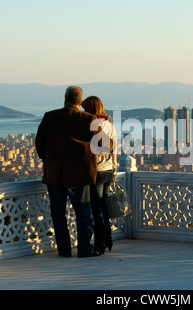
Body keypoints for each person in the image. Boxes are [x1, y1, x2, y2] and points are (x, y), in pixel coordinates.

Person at [35, 86, 101, 258]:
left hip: (55, 174)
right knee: (83, 213)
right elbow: (102, 146)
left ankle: (64, 250)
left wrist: (49, 160)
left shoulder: (50, 117)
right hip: (80, 174)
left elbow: (39, 144)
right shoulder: (89, 119)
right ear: (80, 102)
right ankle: (84, 249)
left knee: (58, 214)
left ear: (65, 99)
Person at [82, 96, 118, 254]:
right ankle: (108, 238)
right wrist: (114, 169)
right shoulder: (110, 125)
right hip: (109, 170)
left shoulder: (92, 125)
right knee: (103, 207)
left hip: (97, 171)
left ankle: (100, 243)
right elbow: (115, 148)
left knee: (97, 210)